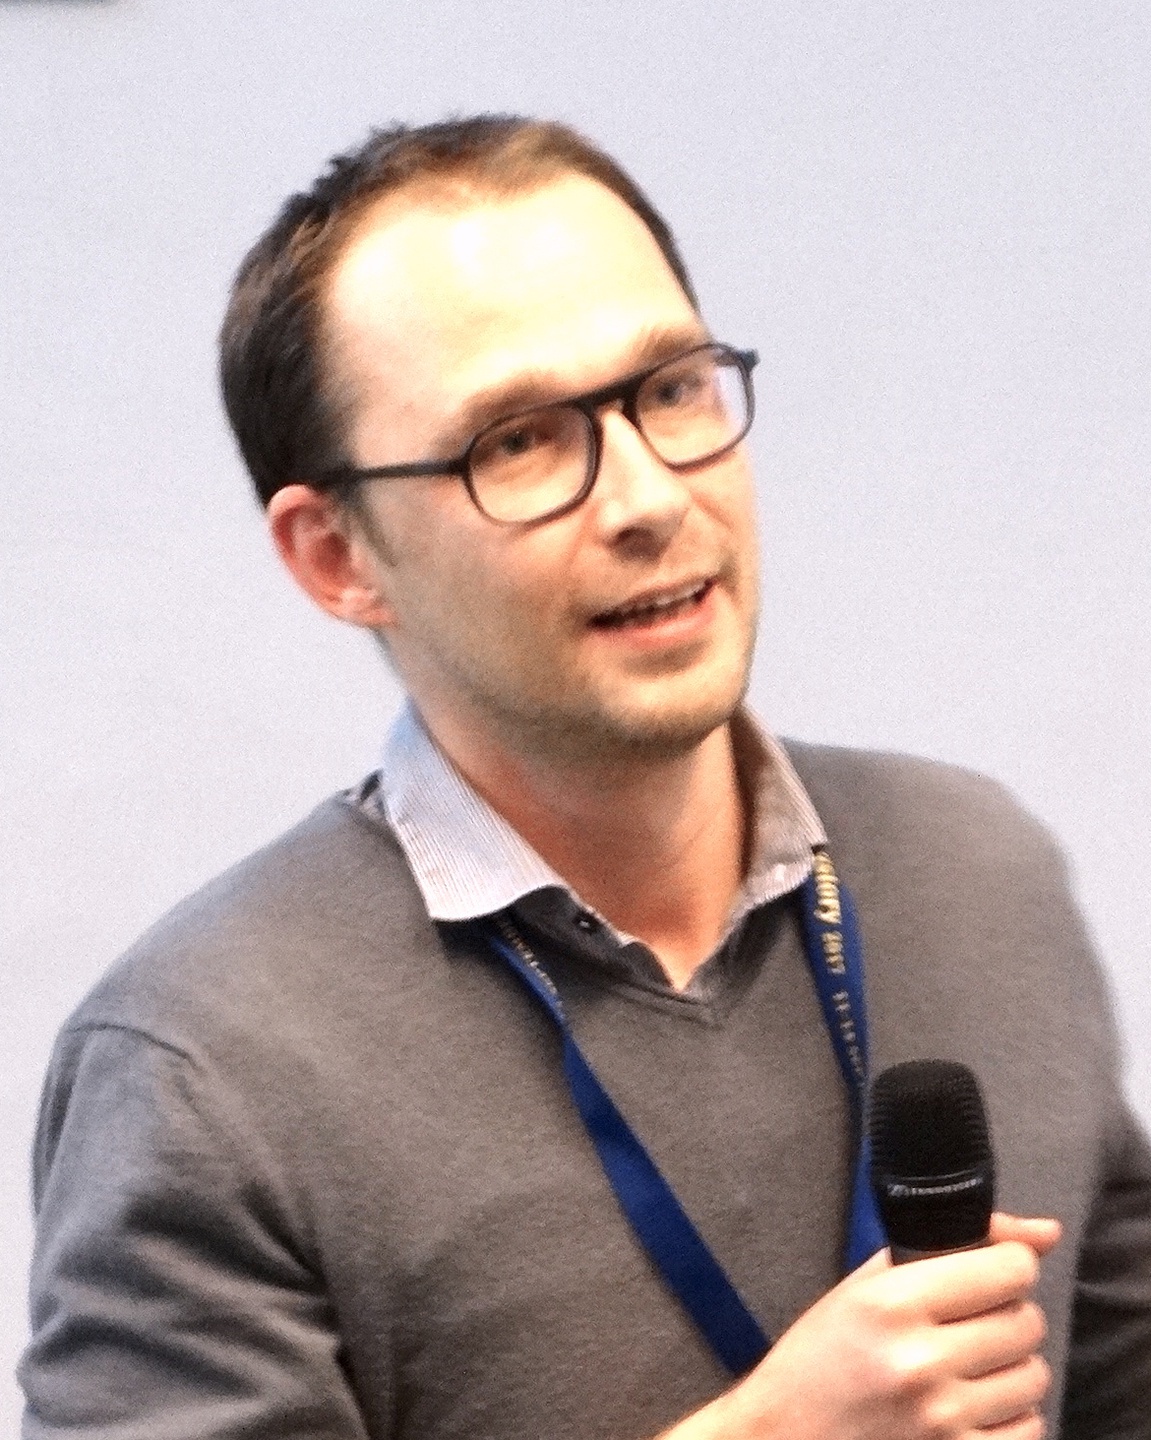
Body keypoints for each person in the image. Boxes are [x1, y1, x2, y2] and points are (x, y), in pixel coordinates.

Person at [20, 116, 1151, 1439]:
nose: (650, 499)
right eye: (518, 442)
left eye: (671, 389)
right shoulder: (201, 1071)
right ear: (338, 556)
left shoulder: (977, 872)